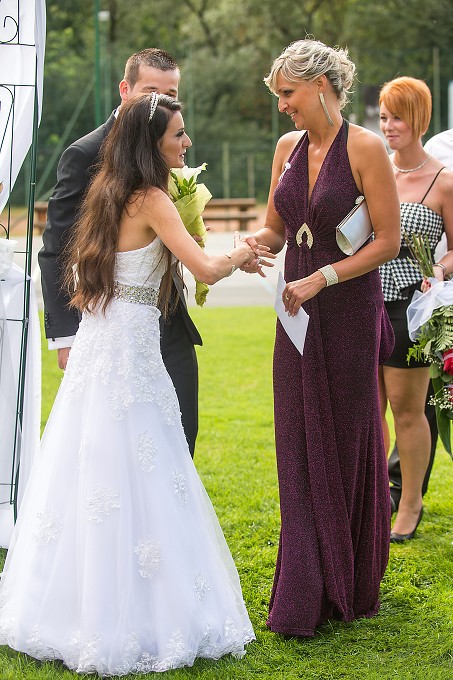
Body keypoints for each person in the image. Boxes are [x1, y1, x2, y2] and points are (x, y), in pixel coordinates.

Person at [0, 93, 276, 674]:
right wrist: (242, 252)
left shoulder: (108, 191)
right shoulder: (151, 198)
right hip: (130, 349)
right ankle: (139, 612)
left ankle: (75, 608)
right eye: (178, 133)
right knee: (146, 463)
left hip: (102, 340)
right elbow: (204, 267)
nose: (187, 142)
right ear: (152, 142)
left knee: (93, 466)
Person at [241, 39, 400, 637]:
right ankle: (305, 582)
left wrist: (323, 277)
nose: (282, 105)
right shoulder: (286, 147)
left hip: (349, 311)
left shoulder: (366, 148)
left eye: (288, 93)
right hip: (296, 315)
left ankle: (349, 577)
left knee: (348, 435)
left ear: (321, 86)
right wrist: (252, 247)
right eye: (278, 95)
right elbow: (276, 228)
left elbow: (386, 240)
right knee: (297, 437)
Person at [38, 48, 200, 457]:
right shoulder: (84, 153)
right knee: (114, 447)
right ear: (125, 90)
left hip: (168, 317)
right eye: (150, 92)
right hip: (111, 327)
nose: (161, 102)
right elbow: (57, 249)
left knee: (182, 430)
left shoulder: (171, 141)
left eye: (170, 93)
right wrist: (66, 335)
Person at [378, 77, 453, 542]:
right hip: (363, 302)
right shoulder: (373, 169)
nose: (388, 126)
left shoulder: (444, 181)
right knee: (370, 412)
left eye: (398, 118)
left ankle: (409, 503)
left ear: (420, 120)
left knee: (407, 412)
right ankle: (374, 500)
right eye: (384, 117)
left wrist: (440, 269)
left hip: (409, 306)